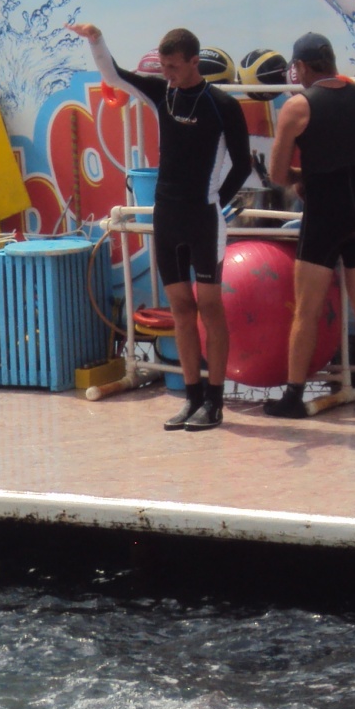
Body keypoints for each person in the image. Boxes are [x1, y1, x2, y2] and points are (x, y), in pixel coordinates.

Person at [67, 23, 250, 431]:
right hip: (167, 217)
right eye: (163, 66)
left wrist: (216, 201)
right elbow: (114, 76)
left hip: (204, 218)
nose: (167, 74)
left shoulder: (221, 104)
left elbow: (242, 164)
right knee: (180, 309)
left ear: (193, 61)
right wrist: (97, 39)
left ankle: (215, 401)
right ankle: (192, 396)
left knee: (210, 307)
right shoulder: (163, 94)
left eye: (173, 67)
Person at [262, 32, 355, 418]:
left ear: (301, 67)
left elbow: (277, 174)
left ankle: (293, 396)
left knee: (307, 310)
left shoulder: (298, 106)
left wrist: (305, 175)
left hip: (325, 215)